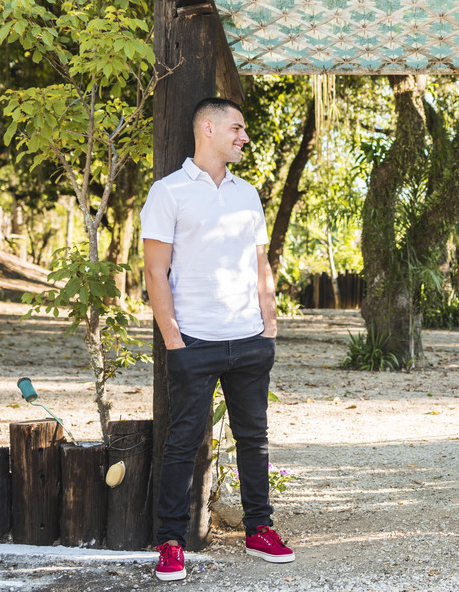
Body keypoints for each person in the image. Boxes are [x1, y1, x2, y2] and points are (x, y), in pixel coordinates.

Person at [141, 96, 295, 582]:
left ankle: (259, 529)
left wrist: (269, 328)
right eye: (237, 128)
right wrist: (174, 341)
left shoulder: (247, 194)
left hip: (249, 340)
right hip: (194, 343)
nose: (244, 136)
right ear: (207, 129)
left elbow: (259, 264)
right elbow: (154, 272)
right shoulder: (167, 193)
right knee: (183, 443)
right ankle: (170, 541)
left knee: (255, 440)